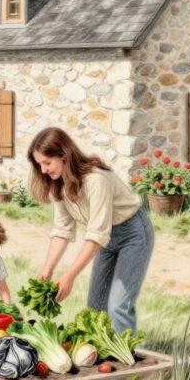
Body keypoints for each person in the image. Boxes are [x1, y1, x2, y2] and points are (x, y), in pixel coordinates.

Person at [28, 127, 154, 333]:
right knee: (95, 306)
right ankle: (101, 355)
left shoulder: (96, 180)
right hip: (106, 238)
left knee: (118, 306)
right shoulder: (58, 185)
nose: (43, 170)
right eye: (39, 164)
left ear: (64, 155)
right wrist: (48, 268)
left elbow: (96, 235)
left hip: (133, 234)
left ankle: (125, 358)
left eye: (47, 163)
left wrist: (69, 276)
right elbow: (62, 229)